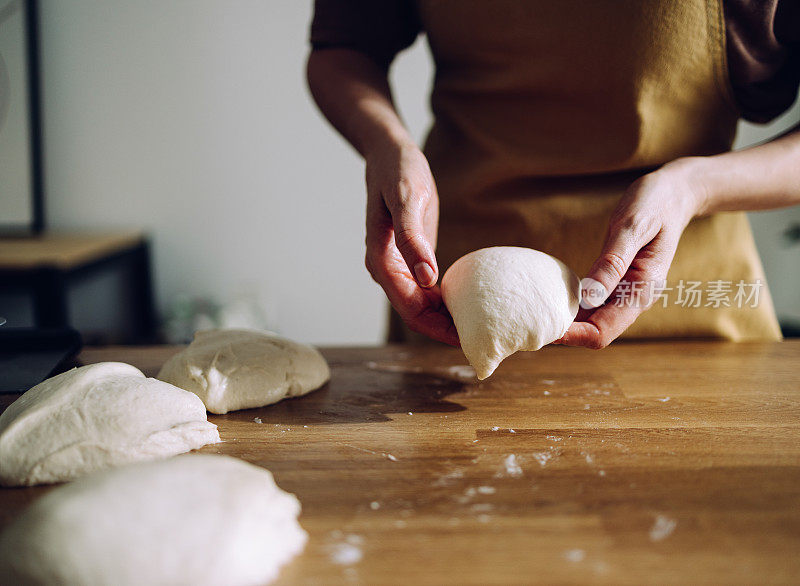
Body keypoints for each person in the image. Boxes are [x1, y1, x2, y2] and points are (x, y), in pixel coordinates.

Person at [307, 0, 800, 348]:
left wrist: (694, 187)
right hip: (453, 307)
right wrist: (387, 145)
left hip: (691, 305)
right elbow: (343, 48)